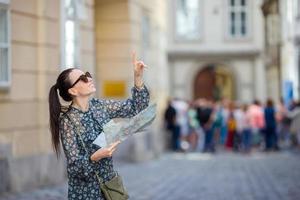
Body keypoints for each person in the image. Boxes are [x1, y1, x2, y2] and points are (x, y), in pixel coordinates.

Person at [48, 53, 150, 200]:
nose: (89, 78)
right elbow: (75, 166)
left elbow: (136, 108)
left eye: (87, 75)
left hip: (110, 187)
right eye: (83, 78)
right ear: (73, 91)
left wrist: (138, 77)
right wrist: (96, 156)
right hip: (85, 192)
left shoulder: (100, 106)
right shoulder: (68, 120)